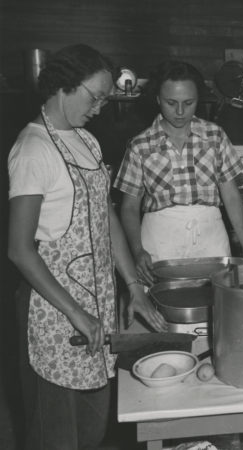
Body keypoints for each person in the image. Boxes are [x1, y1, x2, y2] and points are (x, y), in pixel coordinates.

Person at [7, 44, 167, 450]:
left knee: (93, 431)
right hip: (53, 311)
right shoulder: (32, 150)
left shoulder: (87, 142)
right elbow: (20, 250)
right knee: (55, 435)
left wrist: (133, 286)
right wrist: (76, 314)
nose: (99, 107)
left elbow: (107, 216)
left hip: (96, 304)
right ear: (63, 86)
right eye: (95, 96)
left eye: (104, 98)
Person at [114, 60, 243, 284]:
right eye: (171, 103)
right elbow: (130, 207)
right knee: (164, 308)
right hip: (160, 242)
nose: (180, 112)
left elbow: (231, 196)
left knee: (214, 304)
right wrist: (137, 250)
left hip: (211, 238)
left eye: (188, 103)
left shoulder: (215, 136)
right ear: (158, 100)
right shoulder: (140, 145)